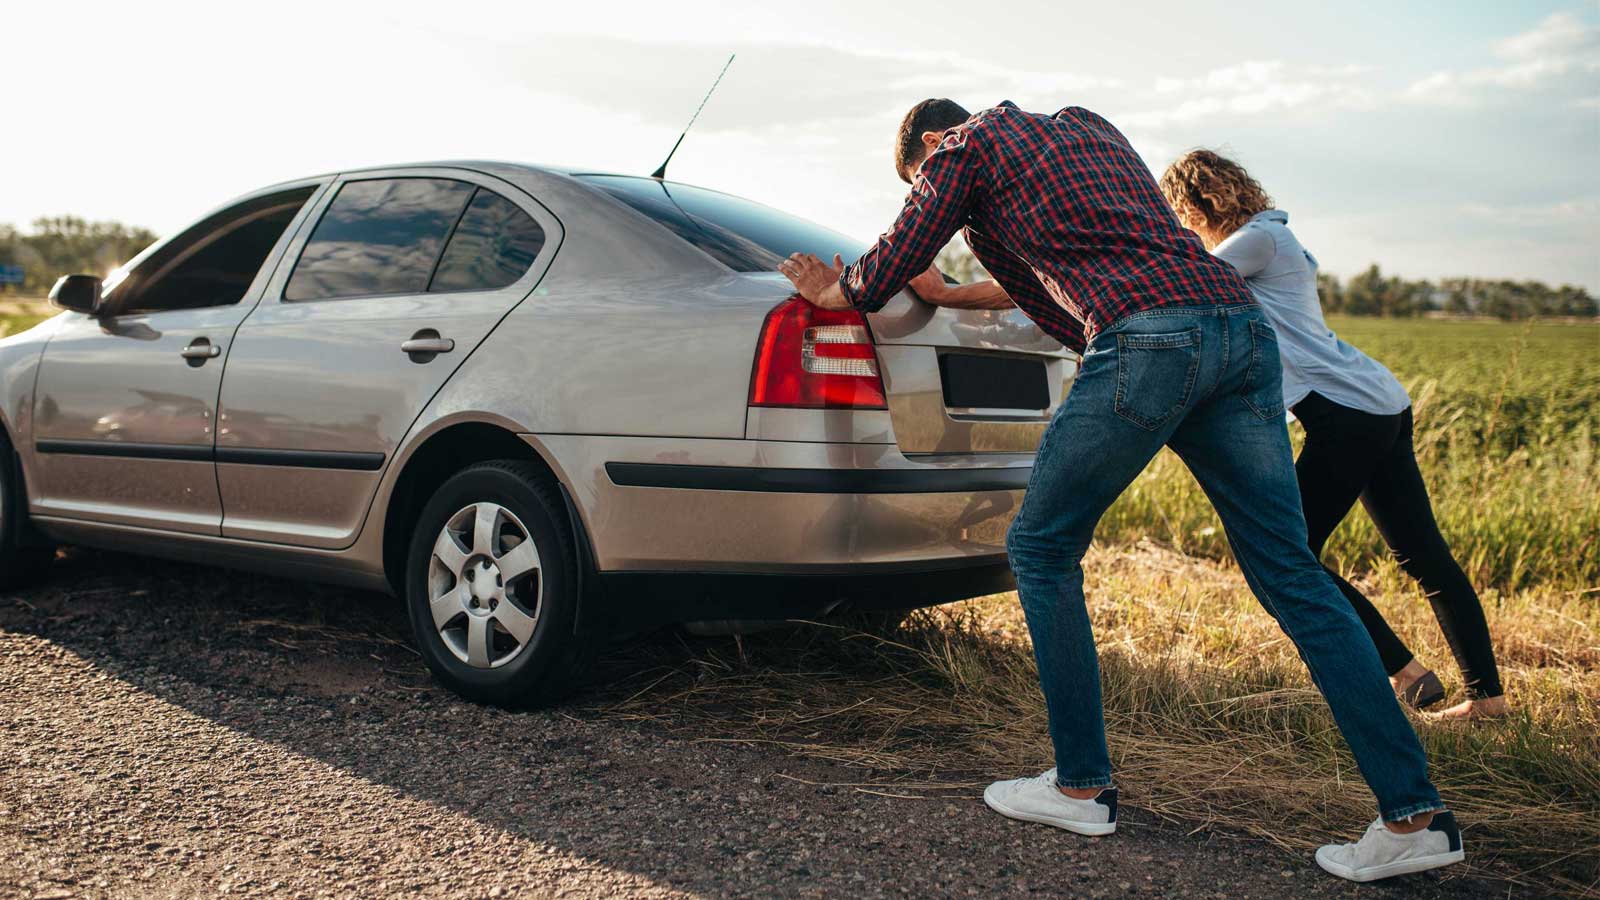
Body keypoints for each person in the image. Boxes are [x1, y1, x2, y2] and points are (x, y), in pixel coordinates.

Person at [778, 99, 1464, 882]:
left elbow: (903, 247)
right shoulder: (1087, 126)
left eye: (920, 171)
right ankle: (1414, 816)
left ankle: (1079, 784)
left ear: (932, 142)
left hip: (1149, 336)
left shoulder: (963, 145)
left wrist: (846, 292)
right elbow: (1053, 284)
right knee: (1291, 572)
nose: (931, 180)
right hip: (1240, 331)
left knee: (1039, 546)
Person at [1157, 150, 1507, 721]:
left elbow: (1187, 282)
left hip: (1346, 412)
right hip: (1374, 403)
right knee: (1421, 555)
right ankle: (1483, 697)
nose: (1183, 225)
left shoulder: (1255, 241)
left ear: (1197, 203)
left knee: (1285, 552)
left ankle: (1405, 673)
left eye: (1180, 213)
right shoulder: (1268, 237)